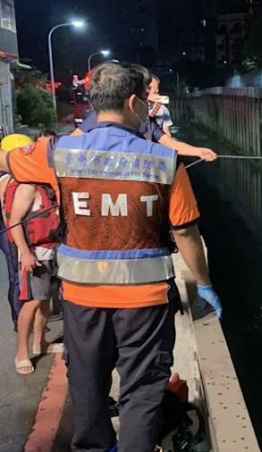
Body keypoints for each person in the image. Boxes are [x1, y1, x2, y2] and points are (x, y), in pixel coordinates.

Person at [0, 62, 223, 452]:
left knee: (87, 388)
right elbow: (186, 232)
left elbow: (7, 162)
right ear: (134, 102)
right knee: (142, 392)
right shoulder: (164, 162)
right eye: (147, 103)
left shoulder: (56, 153)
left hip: (81, 301)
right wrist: (204, 284)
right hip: (146, 305)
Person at [72, 68, 217, 163]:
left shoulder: (147, 121)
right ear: (133, 101)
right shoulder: (99, 118)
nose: (150, 97)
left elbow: (169, 142)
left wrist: (198, 151)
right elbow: (74, 140)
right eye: (145, 94)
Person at [6, 176, 62, 374]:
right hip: (35, 254)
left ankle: (41, 343)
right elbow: (14, 222)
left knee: (45, 300)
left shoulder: (48, 186)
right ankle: (22, 352)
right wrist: (26, 253)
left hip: (52, 250)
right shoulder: (27, 188)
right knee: (32, 302)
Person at [0, 134, 30, 331]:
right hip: (7, 230)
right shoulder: (7, 180)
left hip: (8, 229)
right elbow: (7, 216)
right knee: (15, 275)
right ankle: (19, 318)